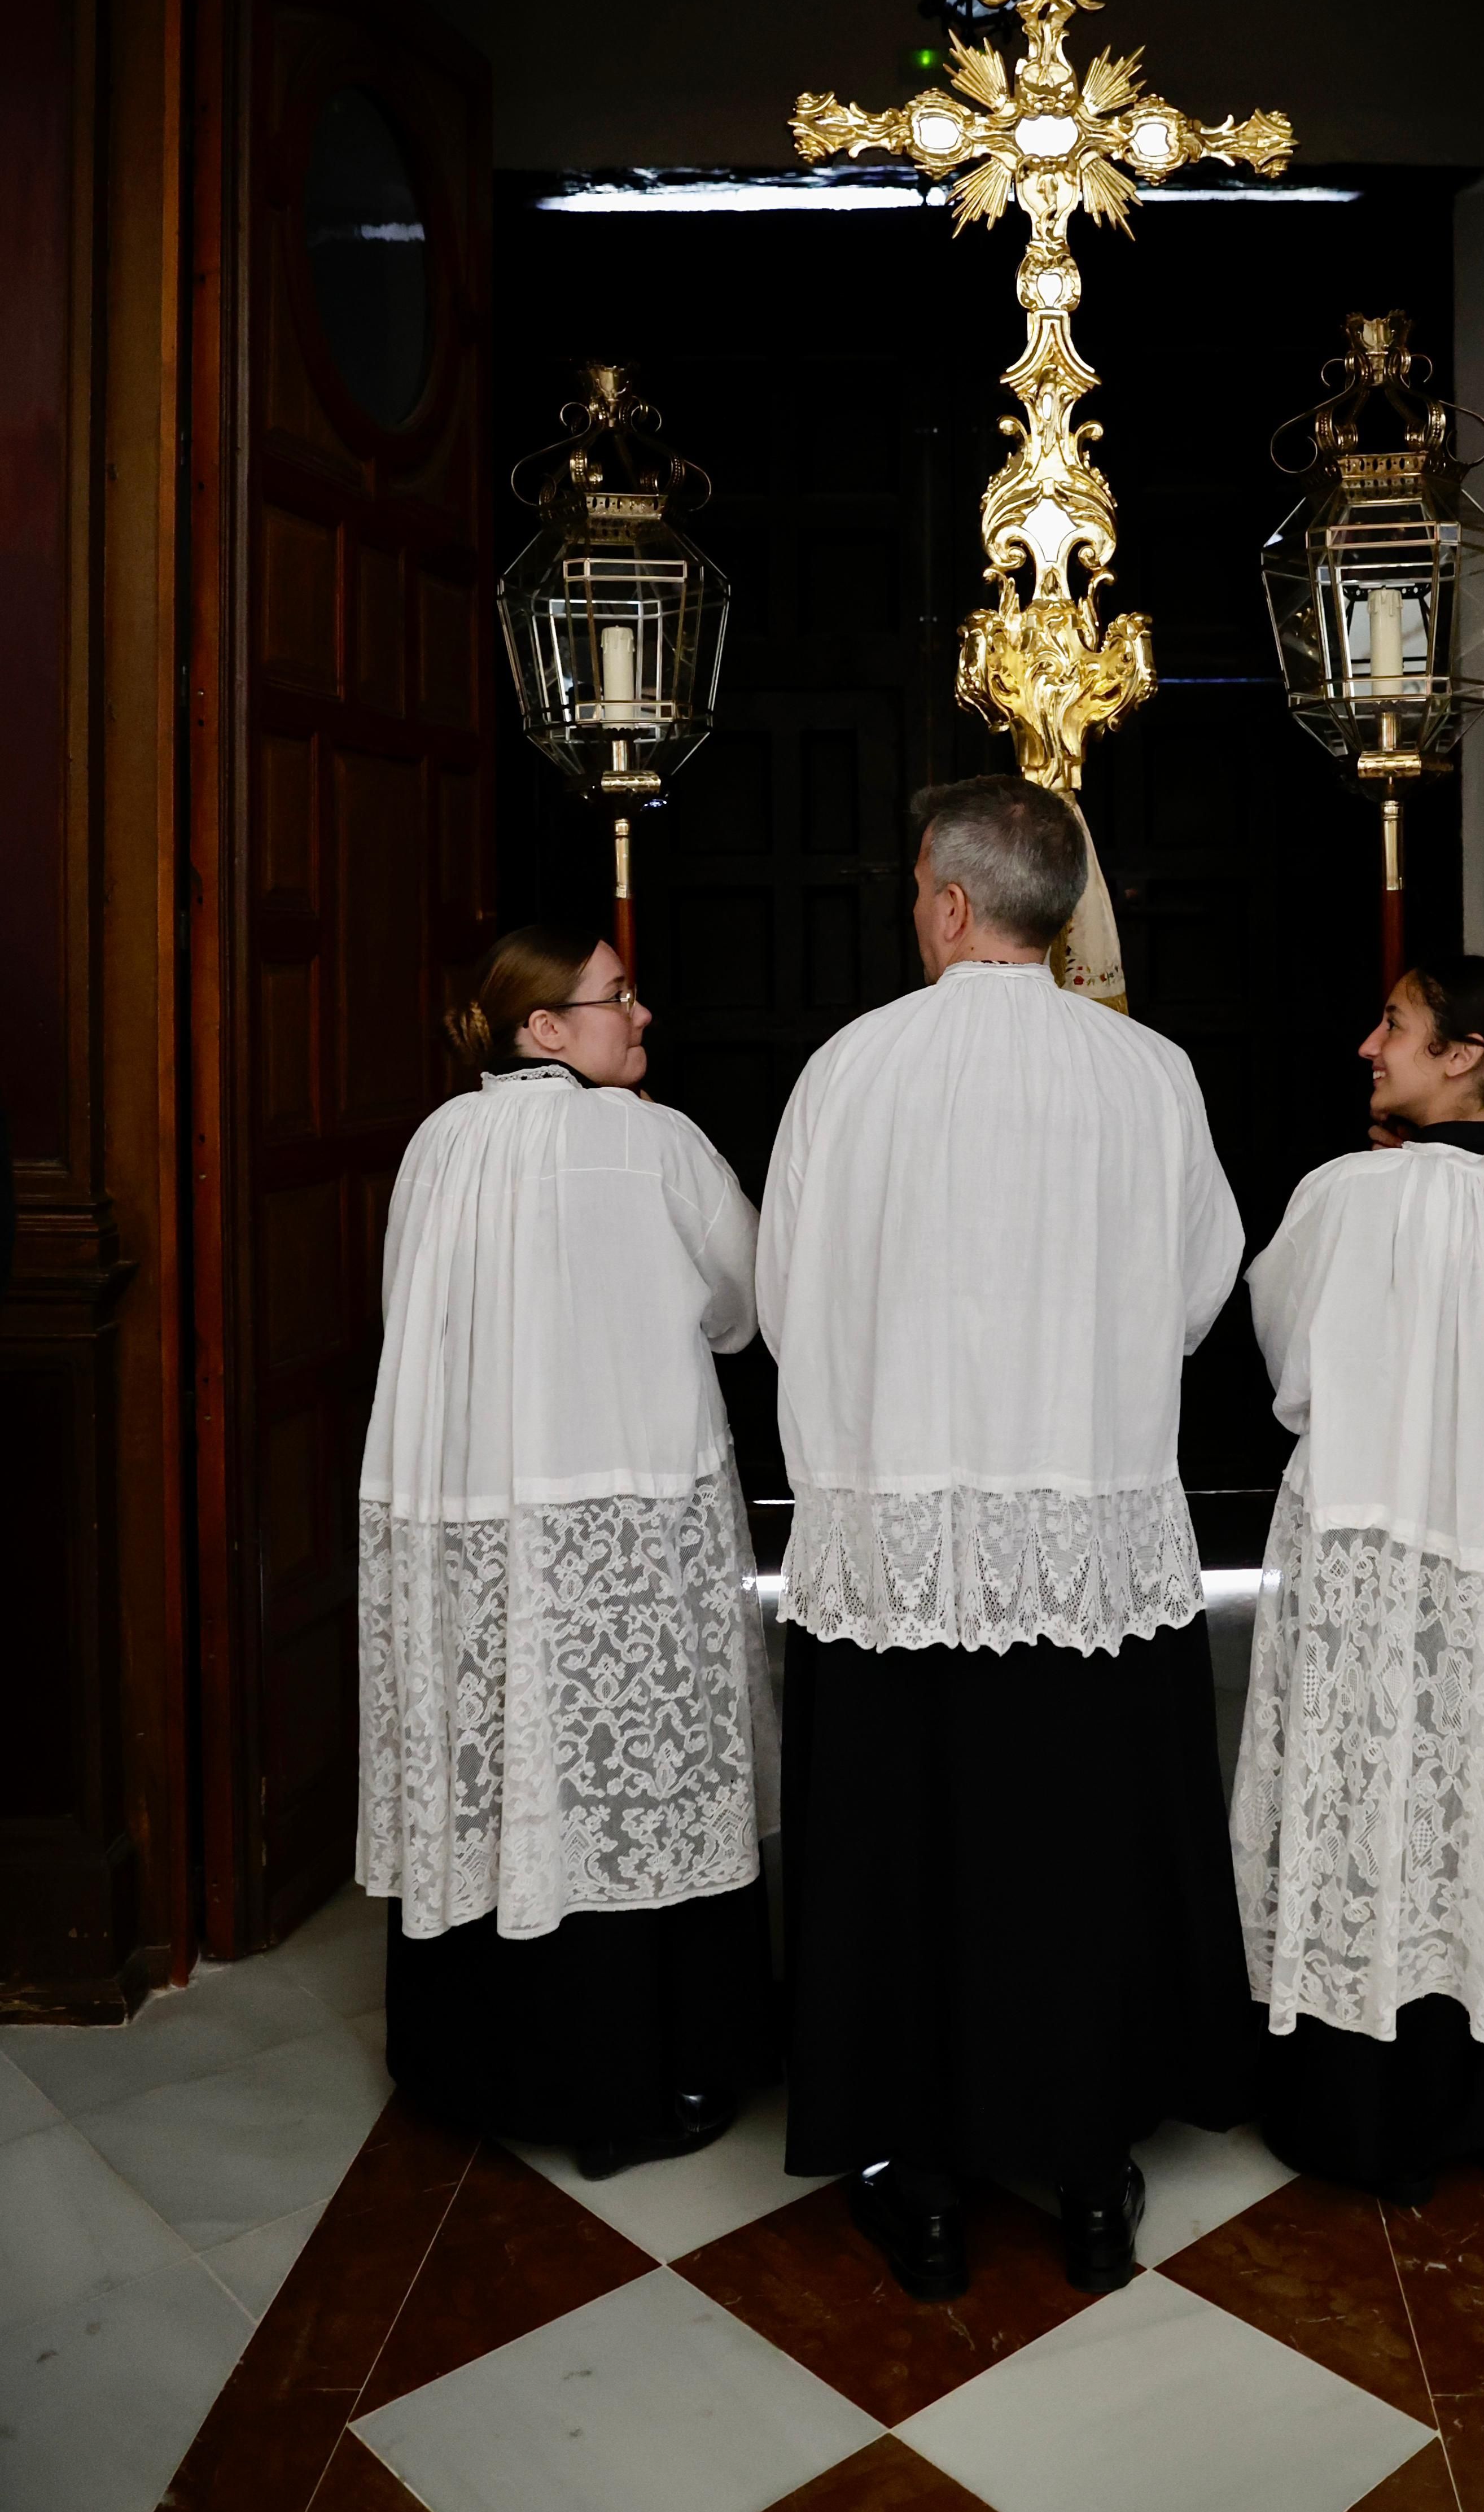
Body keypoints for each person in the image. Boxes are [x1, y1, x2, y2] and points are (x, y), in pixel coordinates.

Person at [759, 773, 1255, 2302]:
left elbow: (784, 1298)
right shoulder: (1147, 1073)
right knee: (1077, 1857)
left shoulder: (848, 1068)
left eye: (917, 889)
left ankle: (914, 2187)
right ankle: (1090, 2173)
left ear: (952, 901)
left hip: (893, 1539)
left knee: (898, 1863)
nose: (915, 910)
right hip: (1082, 1539)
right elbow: (1196, 1289)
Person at [358, 925, 778, 2181]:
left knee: (498, 1762)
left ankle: (470, 2064)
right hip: (624, 1517)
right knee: (622, 1777)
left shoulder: (437, 1144)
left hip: (469, 1510)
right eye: (617, 999)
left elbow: (407, 1309)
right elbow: (746, 1302)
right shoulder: (655, 1141)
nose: (640, 1017)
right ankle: (637, 2081)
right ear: (542, 1027)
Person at [1229, 955, 1484, 2205]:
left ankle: (1362, 2099)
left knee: (1372, 1790)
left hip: (1375, 1539)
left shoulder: (1354, 1194)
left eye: (1393, 1024)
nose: (1367, 1045)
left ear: (1464, 1058)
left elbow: (1292, 1367)